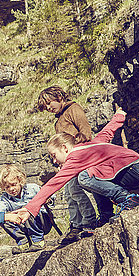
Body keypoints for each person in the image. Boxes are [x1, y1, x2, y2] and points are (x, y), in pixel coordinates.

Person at [14, 108, 139, 227]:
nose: (55, 161)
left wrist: (30, 208)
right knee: (93, 173)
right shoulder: (90, 146)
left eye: (54, 155)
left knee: (84, 177)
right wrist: (119, 116)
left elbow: (53, 184)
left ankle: (128, 200)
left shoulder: (75, 157)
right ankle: (106, 215)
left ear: (64, 148)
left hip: (134, 170)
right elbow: (107, 132)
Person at [37, 86, 97, 244]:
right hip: (67, 161)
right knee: (69, 194)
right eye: (46, 107)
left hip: (77, 158)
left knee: (76, 190)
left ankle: (89, 221)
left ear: (59, 97)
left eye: (50, 103)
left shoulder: (73, 109)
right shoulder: (59, 120)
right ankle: (75, 225)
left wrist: (78, 149)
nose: (49, 108)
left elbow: (86, 132)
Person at [0, 164, 53, 254]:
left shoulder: (32, 188)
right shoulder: (5, 199)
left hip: (42, 222)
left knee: (27, 209)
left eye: (14, 184)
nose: (11, 189)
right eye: (7, 187)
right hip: (24, 226)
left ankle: (38, 241)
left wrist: (48, 200)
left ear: (20, 181)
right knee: (3, 217)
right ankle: (23, 242)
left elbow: (50, 195)